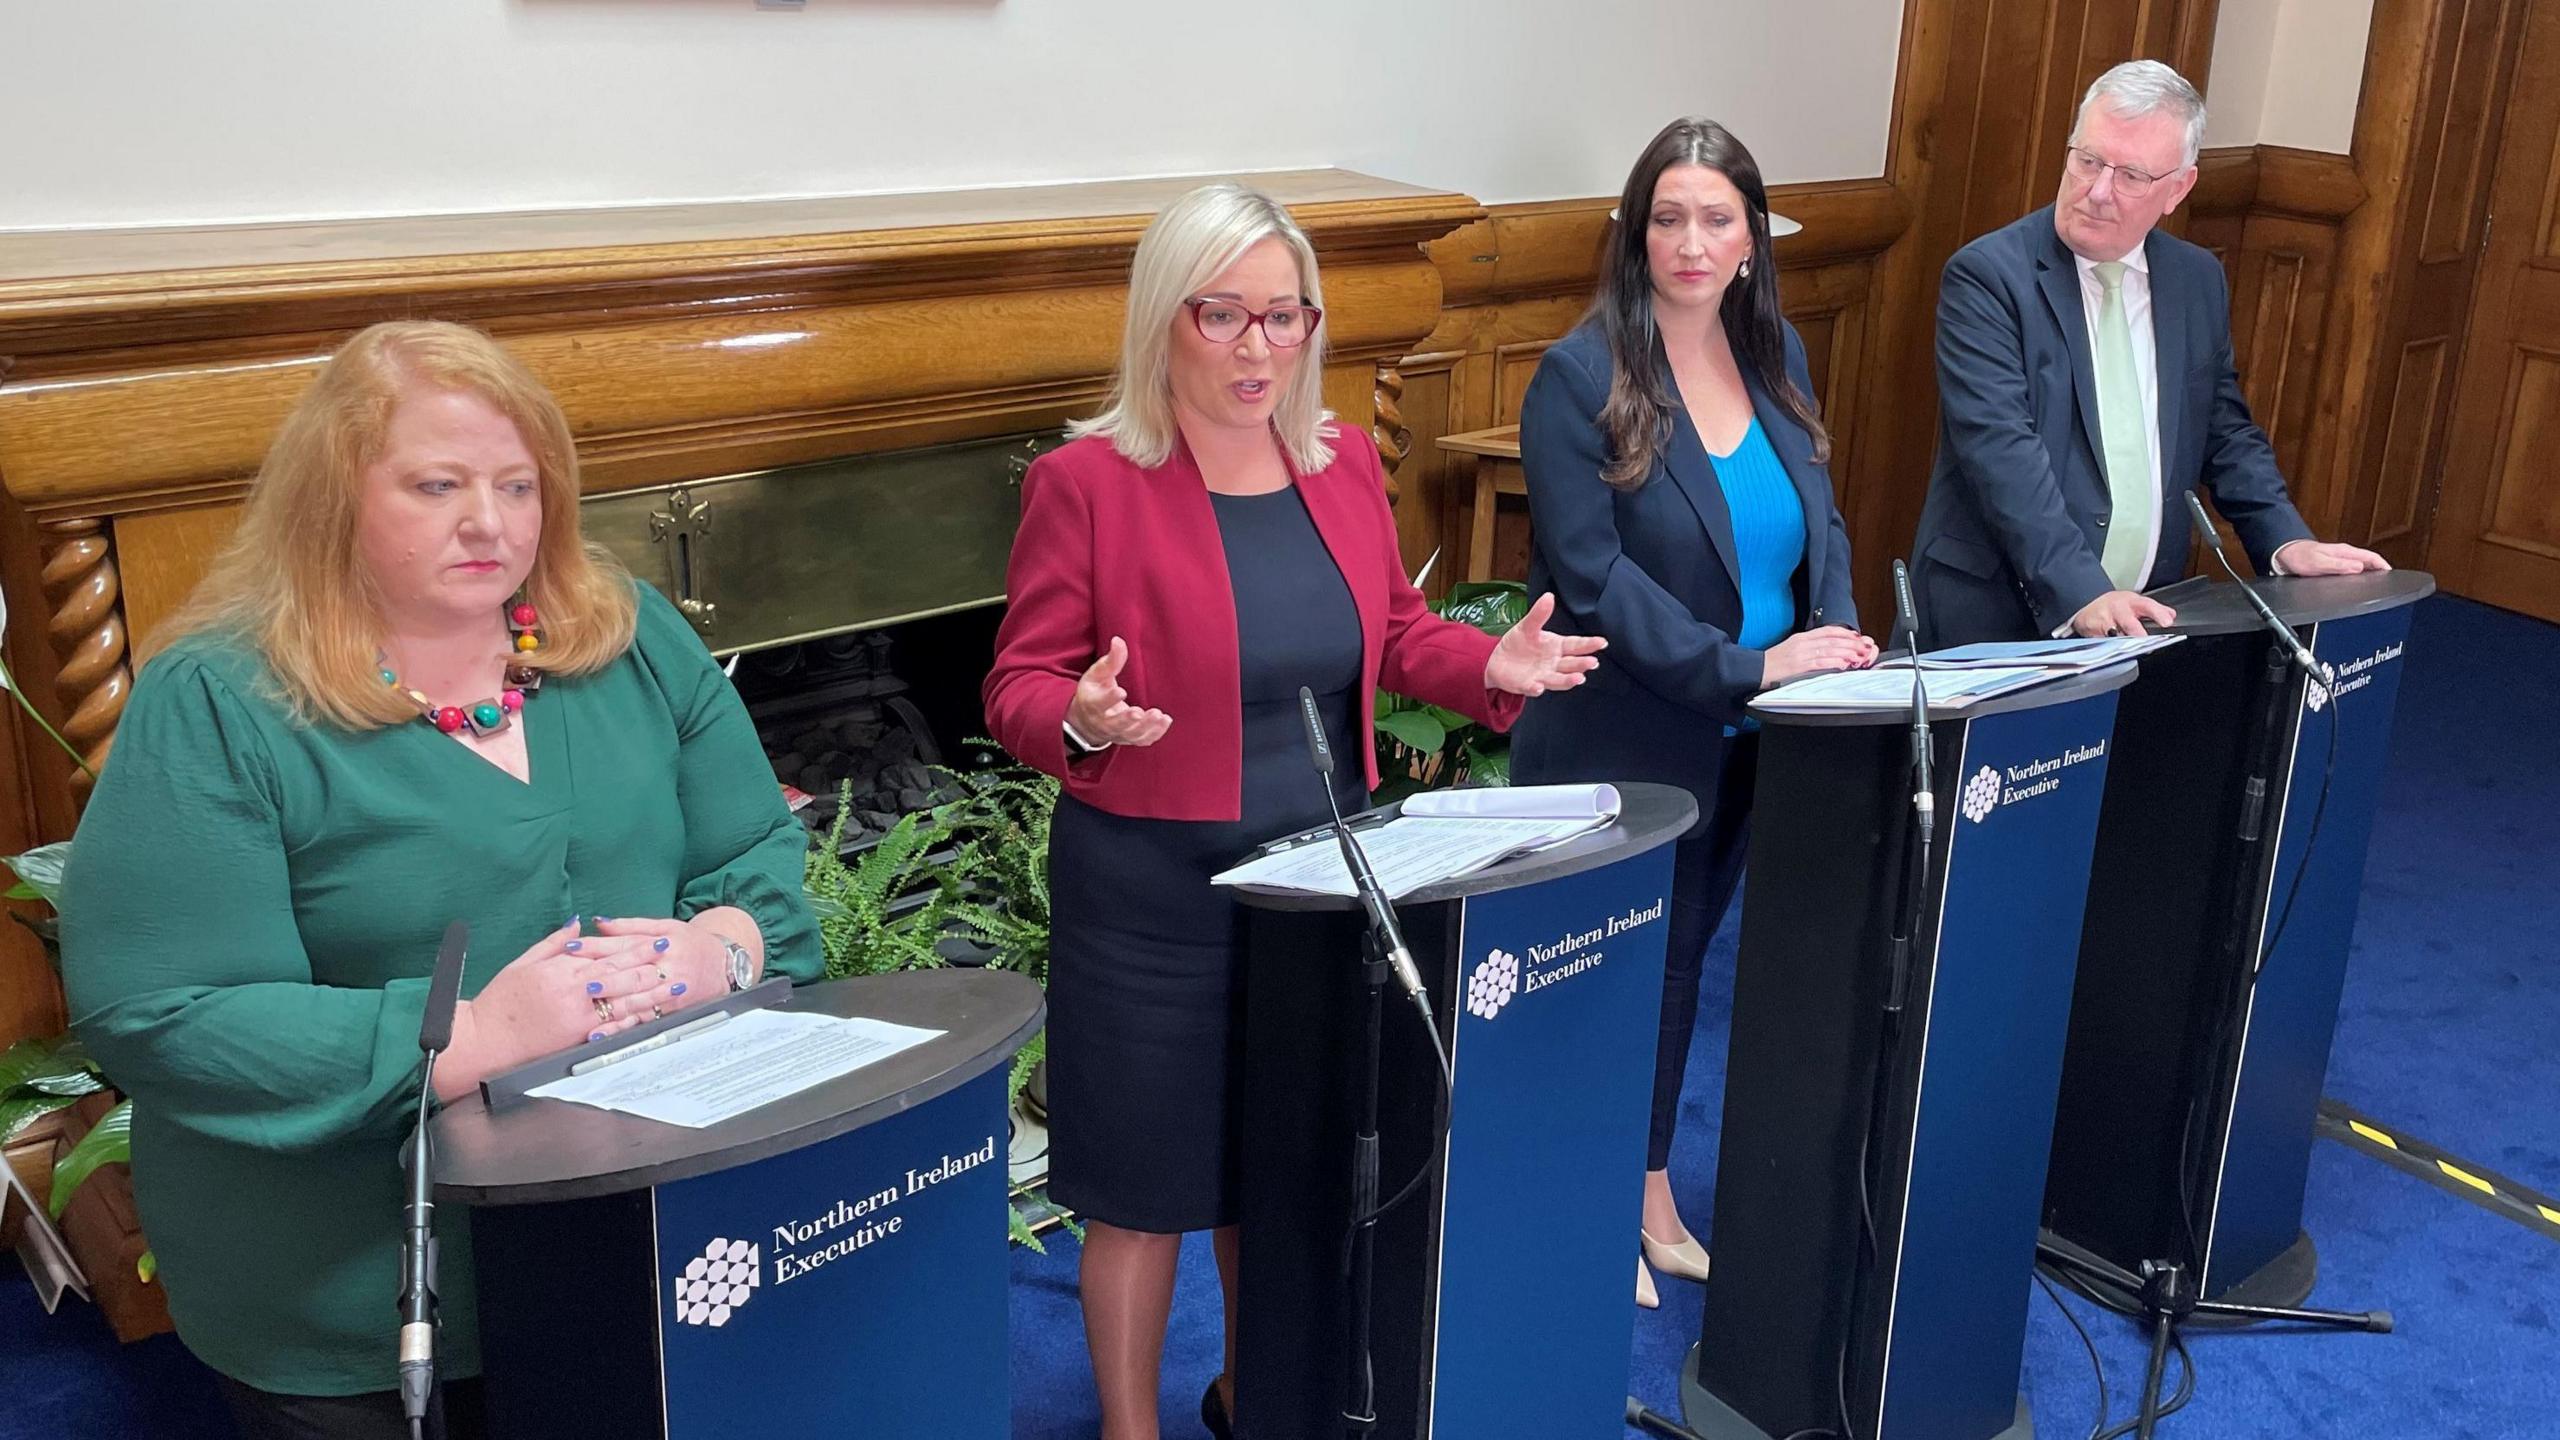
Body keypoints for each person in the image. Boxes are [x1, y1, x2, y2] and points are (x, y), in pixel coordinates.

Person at [58, 320, 821, 1440]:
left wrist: (722, 949)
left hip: (641, 1223)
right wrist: (476, 1036)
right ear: (334, 499)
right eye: (436, 485)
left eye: (519, 485)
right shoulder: (220, 701)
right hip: (357, 1287)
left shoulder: (629, 635)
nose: (490, 521)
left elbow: (754, 857)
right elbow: (163, 1012)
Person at [983, 182, 1601, 1440]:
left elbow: (1389, 634)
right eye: (1224, 316)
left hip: (1317, 883)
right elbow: (1016, 685)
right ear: (1166, 320)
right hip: (1152, 898)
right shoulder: (1086, 482)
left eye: (1285, 315)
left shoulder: (1337, 464)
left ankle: (1251, 1396)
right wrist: (1080, 719)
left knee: (1279, 1172)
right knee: (1147, 1190)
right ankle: (1128, 1426)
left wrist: (1486, 667)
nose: (1260, 345)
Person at [1508, 117, 1878, 1310]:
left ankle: (1649, 1189)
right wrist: (1751, 670)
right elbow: (1591, 578)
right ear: (1633, 232)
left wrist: (1846, 645)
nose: (1690, 240)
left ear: (1752, 238)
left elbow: (1818, 526)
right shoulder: (1578, 376)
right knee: (1599, 982)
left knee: (1677, 975)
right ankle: (1571, 1197)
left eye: (1717, 218)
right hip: (1626, 736)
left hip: (1757, 745)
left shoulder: (1781, 361)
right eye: (1667, 217)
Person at [1910, 59, 2388, 647]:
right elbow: (2001, 450)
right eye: (2087, 161)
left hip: (2143, 613)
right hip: (2001, 616)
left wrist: (2284, 538)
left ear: (2178, 189)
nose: (2098, 191)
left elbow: (2223, 428)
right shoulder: (1988, 278)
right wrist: (2081, 589)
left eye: (2132, 176)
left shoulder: (2194, 279)